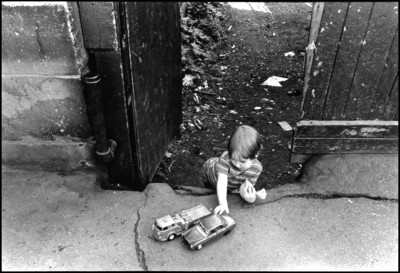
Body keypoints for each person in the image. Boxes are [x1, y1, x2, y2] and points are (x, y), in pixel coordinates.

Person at [201, 125, 266, 214]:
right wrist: (223, 204)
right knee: (208, 190)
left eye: (242, 162)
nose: (237, 164)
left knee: (226, 190)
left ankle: (222, 191)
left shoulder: (256, 169)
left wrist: (251, 196)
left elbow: (246, 185)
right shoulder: (225, 158)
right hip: (210, 173)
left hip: (230, 182)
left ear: (255, 156)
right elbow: (222, 181)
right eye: (233, 159)